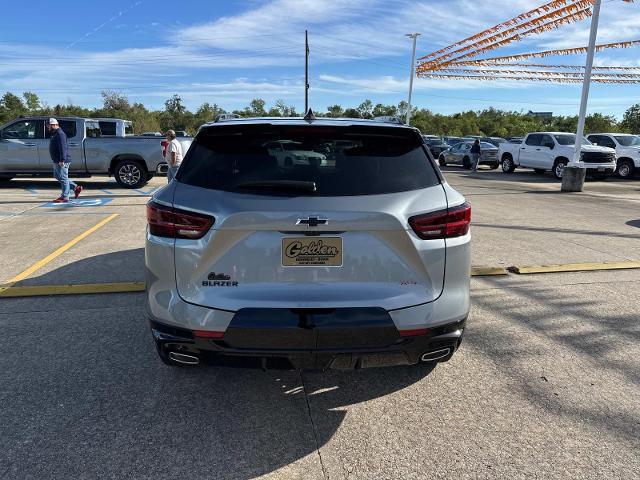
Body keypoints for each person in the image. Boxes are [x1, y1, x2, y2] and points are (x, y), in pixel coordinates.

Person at [49, 118, 82, 203]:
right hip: (57, 160)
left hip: (62, 160)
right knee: (57, 176)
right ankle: (76, 187)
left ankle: (65, 196)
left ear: (54, 125)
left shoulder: (60, 134)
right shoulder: (55, 133)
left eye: (49, 125)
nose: (48, 127)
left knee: (63, 178)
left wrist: (62, 159)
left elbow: (63, 148)